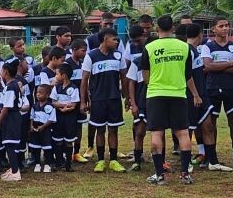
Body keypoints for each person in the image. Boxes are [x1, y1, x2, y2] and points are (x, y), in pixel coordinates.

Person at [141, 15, 201, 185]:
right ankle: (184, 174)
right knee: (183, 133)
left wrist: (153, 83)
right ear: (173, 29)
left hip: (155, 94)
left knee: (157, 133)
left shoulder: (150, 47)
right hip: (178, 95)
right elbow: (188, 75)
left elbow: (145, 74)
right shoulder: (184, 47)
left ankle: (159, 174)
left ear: (156, 28)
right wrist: (195, 94)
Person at [80, 27, 127, 173]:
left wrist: (127, 97)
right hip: (98, 100)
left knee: (113, 130)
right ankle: (100, 160)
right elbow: (84, 80)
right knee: (100, 130)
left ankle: (113, 160)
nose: (117, 41)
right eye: (114, 39)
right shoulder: (91, 56)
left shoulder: (119, 56)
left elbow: (124, 77)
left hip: (114, 99)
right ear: (105, 39)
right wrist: (83, 101)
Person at [186, 24, 229, 172]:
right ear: (200, 34)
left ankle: (213, 161)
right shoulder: (187, 50)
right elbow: (187, 75)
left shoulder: (197, 50)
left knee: (208, 126)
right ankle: (186, 163)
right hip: (191, 96)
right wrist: (195, 94)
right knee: (189, 129)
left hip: (203, 95)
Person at [201, 17, 233, 167]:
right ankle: (212, 158)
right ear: (213, 29)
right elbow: (207, 66)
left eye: (227, 25)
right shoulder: (208, 46)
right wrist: (230, 63)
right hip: (212, 88)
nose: (225, 28)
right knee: (211, 125)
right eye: (221, 26)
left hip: (231, 89)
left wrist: (217, 65)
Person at [50, 63, 79, 172]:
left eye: (57, 74)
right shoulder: (56, 88)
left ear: (64, 75)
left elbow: (74, 104)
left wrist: (65, 107)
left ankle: (68, 164)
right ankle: (58, 162)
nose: (55, 76)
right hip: (58, 118)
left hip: (70, 119)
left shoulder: (74, 88)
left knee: (68, 140)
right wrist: (63, 107)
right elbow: (53, 102)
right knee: (58, 140)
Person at [0, 60, 24, 181]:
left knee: (10, 144)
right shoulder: (14, 85)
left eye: (1, 70)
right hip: (14, 116)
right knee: (11, 143)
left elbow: (7, 106)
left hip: (11, 117)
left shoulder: (10, 87)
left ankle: (15, 172)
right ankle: (14, 168)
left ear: (6, 72)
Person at [125, 26, 147, 171]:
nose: (137, 44)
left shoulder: (158, 61)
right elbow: (131, 82)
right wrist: (133, 102)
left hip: (156, 99)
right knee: (139, 131)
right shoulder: (137, 61)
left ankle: (162, 160)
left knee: (160, 131)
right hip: (141, 101)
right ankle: (137, 160)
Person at [67, 39, 89, 164]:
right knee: (70, 126)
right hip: (70, 101)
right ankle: (68, 152)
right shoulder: (66, 64)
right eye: (83, 50)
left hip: (82, 100)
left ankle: (77, 152)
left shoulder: (83, 63)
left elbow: (85, 83)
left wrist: (86, 100)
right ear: (74, 50)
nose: (85, 53)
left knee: (79, 126)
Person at [28, 84, 56, 172]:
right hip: (36, 130)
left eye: (41, 93)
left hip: (45, 129)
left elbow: (51, 119)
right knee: (36, 148)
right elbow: (31, 117)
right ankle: (37, 164)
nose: (38, 94)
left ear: (47, 95)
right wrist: (31, 126)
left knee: (47, 147)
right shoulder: (34, 106)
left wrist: (43, 126)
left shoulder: (50, 106)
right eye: (37, 92)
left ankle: (47, 164)